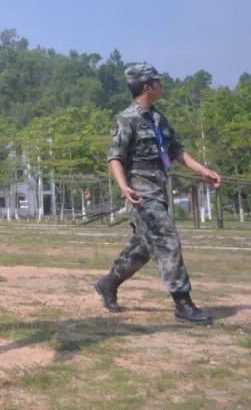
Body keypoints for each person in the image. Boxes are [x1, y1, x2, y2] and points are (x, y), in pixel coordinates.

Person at [93, 63, 222, 324]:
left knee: (144, 248)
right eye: (158, 81)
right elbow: (115, 157)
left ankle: (108, 283)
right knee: (167, 238)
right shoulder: (127, 119)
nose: (162, 84)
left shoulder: (158, 119)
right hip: (140, 193)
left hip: (159, 189)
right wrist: (124, 186)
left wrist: (202, 170)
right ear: (147, 86)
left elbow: (176, 151)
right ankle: (183, 303)